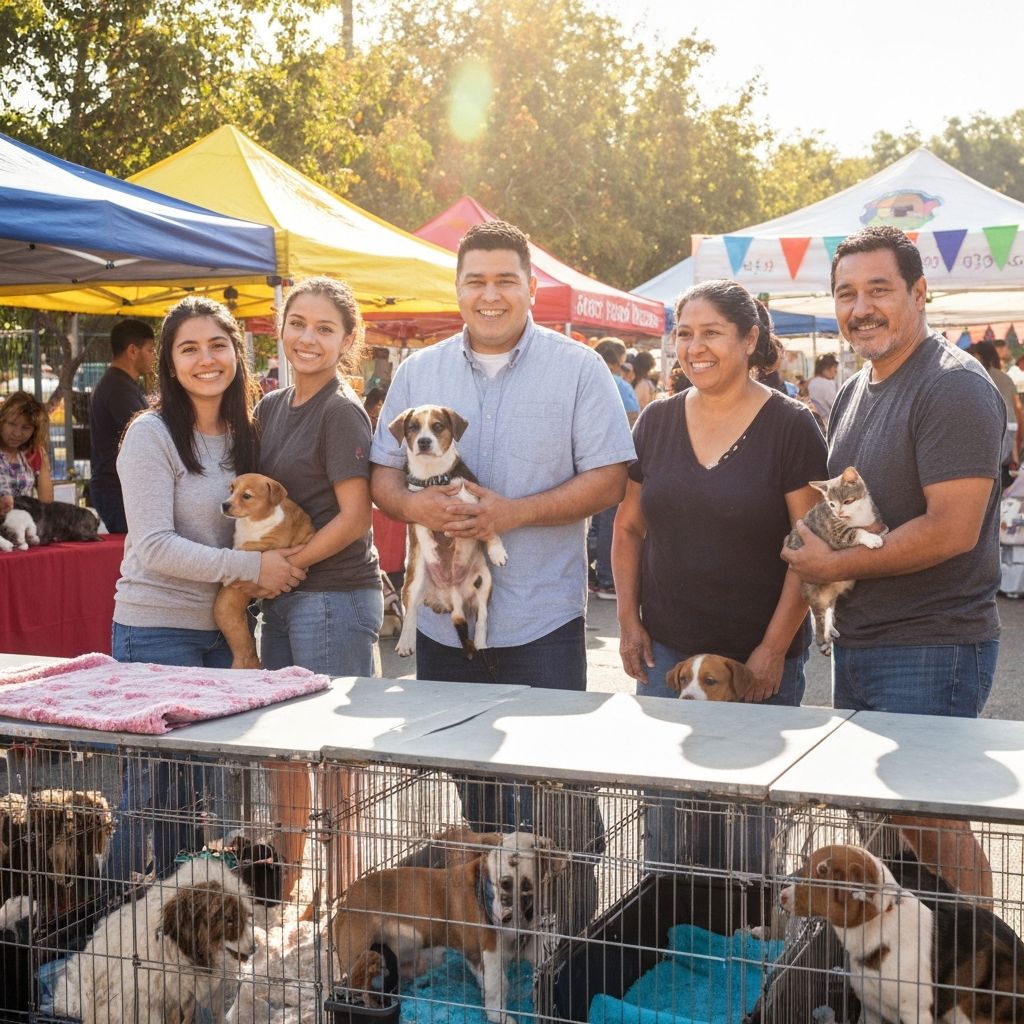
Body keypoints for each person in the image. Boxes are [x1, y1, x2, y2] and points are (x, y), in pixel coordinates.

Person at [369, 219, 634, 834]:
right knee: (479, 804)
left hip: (542, 622)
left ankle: (572, 930)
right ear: (458, 288)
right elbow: (382, 479)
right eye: (476, 281)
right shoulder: (416, 372)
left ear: (532, 286)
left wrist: (511, 513)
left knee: (559, 805)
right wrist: (415, 507)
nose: (491, 294)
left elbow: (610, 480)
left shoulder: (580, 369)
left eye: (506, 280)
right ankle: (498, 930)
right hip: (444, 625)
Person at [782, 225, 1005, 899]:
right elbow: (858, 511)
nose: (861, 307)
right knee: (888, 827)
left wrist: (828, 566)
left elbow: (951, 531)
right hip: (865, 641)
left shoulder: (953, 386)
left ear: (919, 292)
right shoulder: (857, 388)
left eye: (879, 289)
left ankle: (984, 982)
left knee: (929, 821)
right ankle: (916, 983)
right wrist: (812, 541)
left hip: (932, 643)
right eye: (846, 293)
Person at [613, 280, 826, 868]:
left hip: (757, 661)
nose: (695, 346)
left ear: (749, 338)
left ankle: (748, 950)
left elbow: (810, 547)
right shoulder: (654, 422)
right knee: (665, 828)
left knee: (748, 835)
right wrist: (628, 623)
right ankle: (670, 946)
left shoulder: (792, 425)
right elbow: (628, 528)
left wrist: (773, 648)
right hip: (669, 656)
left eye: (712, 332)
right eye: (684, 333)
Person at [107, 296, 305, 888]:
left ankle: (178, 936)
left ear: (236, 353)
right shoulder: (150, 435)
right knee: (150, 796)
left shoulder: (249, 434)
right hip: (156, 628)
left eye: (217, 345)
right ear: (168, 362)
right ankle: (104, 933)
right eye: (188, 348)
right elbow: (153, 546)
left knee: (199, 798)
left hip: (223, 632)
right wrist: (251, 570)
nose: (206, 359)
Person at [256, 276, 383, 901]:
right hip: (281, 596)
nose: (308, 338)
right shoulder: (272, 406)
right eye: (298, 323)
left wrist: (293, 564)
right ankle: (288, 887)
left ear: (347, 341)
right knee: (284, 751)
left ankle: (345, 897)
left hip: (332, 595)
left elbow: (356, 517)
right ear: (281, 328)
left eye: (325, 328)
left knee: (335, 763)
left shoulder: (340, 410)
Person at [89, 318, 156, 533]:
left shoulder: (121, 384)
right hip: (116, 489)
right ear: (133, 350)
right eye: (150, 350)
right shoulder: (118, 388)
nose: (153, 356)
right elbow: (147, 435)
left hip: (119, 487)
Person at [588, 337, 639, 600]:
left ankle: (592, 575)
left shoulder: (582, 379)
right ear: (618, 360)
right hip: (615, 461)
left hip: (585, 463)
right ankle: (607, 580)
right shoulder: (618, 384)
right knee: (611, 522)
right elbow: (633, 418)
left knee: (594, 523)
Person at [969, 340, 1022, 489]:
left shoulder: (972, 375)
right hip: (1006, 442)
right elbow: (1017, 412)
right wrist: (1016, 451)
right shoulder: (1005, 378)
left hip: (983, 448)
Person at [0, 391, 53, 514]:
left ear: (34, 430)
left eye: (26, 427)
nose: (17, 433)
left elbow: (47, 504)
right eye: (12, 424)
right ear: (1, 421)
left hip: (25, 526)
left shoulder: (35, 453)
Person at [807, 353, 839, 425]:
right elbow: (835, 405)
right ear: (826, 368)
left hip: (815, 422)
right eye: (834, 367)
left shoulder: (812, 382)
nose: (836, 371)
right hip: (827, 424)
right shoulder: (827, 383)